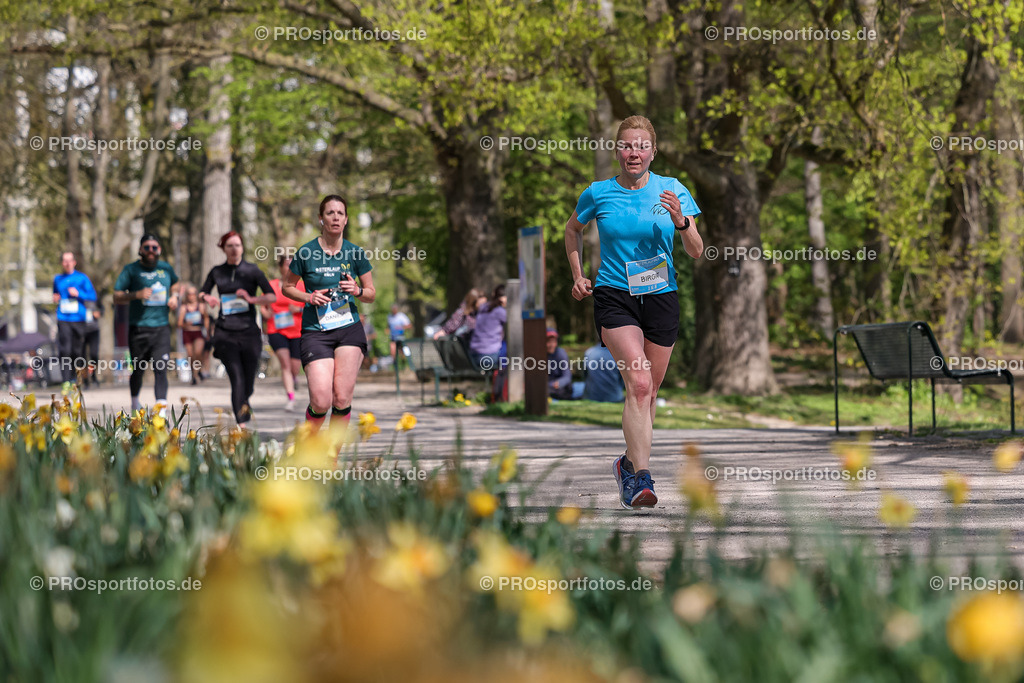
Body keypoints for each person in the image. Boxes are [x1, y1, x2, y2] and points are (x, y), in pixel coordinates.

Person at [564, 114, 703, 509]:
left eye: (642, 145)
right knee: (639, 384)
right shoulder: (599, 193)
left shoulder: (673, 189)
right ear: (617, 151)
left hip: (661, 295)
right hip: (614, 294)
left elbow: (696, 250)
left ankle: (627, 464)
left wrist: (681, 222)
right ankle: (640, 480)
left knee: (649, 393)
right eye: (627, 145)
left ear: (653, 152)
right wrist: (577, 275)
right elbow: (571, 229)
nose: (634, 152)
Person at [283, 194, 376, 431]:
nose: (335, 217)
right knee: (321, 401)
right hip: (316, 332)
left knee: (342, 398)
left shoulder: (355, 253)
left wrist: (357, 290)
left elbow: (371, 293)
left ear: (346, 220)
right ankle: (310, 448)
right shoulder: (306, 253)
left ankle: (331, 459)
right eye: (330, 213)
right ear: (321, 219)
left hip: (348, 330)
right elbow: (287, 287)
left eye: (340, 213)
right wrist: (309, 297)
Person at [200, 231, 276, 426]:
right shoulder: (217, 271)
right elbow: (203, 291)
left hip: (249, 331)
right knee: (237, 378)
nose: (234, 249)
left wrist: (252, 299)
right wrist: (206, 297)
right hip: (225, 331)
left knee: (248, 380)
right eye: (230, 246)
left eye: (237, 245)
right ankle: (241, 426)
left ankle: (244, 401)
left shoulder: (253, 270)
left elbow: (271, 296)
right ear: (224, 249)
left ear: (242, 248)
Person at [113, 234, 181, 415]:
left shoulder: (166, 268)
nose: (151, 250)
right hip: (138, 328)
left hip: (162, 328)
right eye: (147, 247)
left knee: (161, 368)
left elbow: (175, 283)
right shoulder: (131, 270)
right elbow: (116, 295)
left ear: (159, 250)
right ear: (140, 250)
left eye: (154, 247)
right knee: (138, 369)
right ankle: (135, 402)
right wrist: (136, 294)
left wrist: (175, 296)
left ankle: (161, 411)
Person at [261, 254, 305, 411]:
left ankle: (294, 378)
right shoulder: (271, 285)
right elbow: (263, 306)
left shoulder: (302, 285)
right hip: (276, 330)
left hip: (298, 331)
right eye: (287, 264)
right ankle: (291, 398)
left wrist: (299, 308)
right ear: (280, 267)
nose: (289, 268)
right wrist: (265, 314)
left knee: (294, 366)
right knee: (285, 364)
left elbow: (313, 305)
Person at [52, 251, 97, 386]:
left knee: (77, 351)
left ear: (74, 262)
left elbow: (92, 296)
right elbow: (55, 294)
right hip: (63, 317)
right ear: (62, 263)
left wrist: (79, 293)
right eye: (64, 261)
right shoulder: (57, 279)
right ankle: (66, 380)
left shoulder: (82, 278)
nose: (67, 263)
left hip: (79, 319)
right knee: (65, 349)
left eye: (69, 260)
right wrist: (55, 298)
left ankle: (79, 378)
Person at [468, 284, 506, 373]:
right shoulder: (500, 311)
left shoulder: (483, 307)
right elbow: (516, 323)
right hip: (489, 356)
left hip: (473, 355)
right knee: (514, 354)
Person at [177, 286, 208, 386]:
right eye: (189, 294)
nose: (192, 296)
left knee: (198, 353)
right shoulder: (183, 308)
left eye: (193, 294)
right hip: (187, 333)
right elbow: (179, 324)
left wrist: (207, 330)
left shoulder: (201, 306)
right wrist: (186, 324)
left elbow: (206, 318)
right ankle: (194, 374)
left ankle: (197, 372)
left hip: (198, 332)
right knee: (190, 355)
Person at [546, 329, 574, 400]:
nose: (552, 345)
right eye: (549, 342)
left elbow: (567, 376)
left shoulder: (561, 353)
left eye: (554, 341)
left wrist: (559, 383)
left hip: (557, 386)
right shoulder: (539, 355)